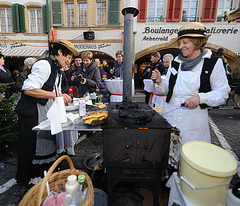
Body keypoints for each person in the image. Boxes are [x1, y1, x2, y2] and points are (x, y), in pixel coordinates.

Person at [151, 22, 230, 145]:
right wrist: (160, 82)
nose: (180, 46)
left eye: (185, 42)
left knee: (190, 155)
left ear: (197, 42)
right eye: (180, 43)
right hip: (170, 117)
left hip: (194, 123)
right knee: (168, 153)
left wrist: (200, 98)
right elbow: (167, 90)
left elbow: (223, 93)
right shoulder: (176, 62)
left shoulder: (213, 63)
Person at [15, 39, 79, 185]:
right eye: (67, 57)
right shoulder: (44, 64)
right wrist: (58, 95)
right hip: (32, 112)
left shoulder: (56, 68)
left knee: (45, 144)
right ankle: (31, 180)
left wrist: (60, 96)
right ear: (59, 52)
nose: (68, 62)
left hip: (43, 110)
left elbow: (51, 90)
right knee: (33, 146)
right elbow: (29, 89)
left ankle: (44, 177)